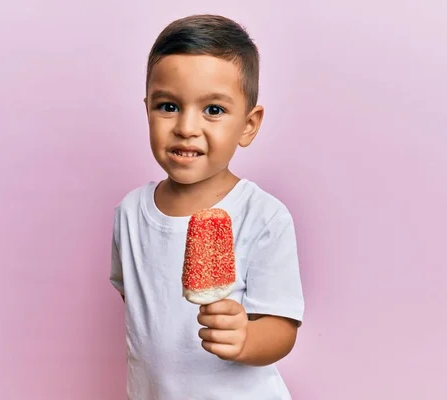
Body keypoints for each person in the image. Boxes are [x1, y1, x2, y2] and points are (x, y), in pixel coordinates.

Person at [110, 14, 305, 400]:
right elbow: (135, 302)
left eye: (213, 110)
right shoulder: (129, 213)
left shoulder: (263, 216)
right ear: (146, 108)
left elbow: (282, 327)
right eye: (168, 106)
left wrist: (247, 337)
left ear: (249, 125)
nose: (186, 127)